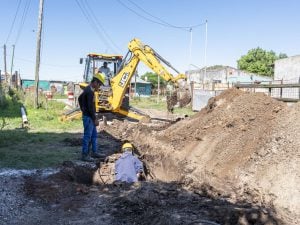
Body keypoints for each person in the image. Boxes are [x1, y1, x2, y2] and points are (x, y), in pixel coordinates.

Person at [78, 73, 105, 162]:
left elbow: (79, 98)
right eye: (99, 84)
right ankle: (85, 155)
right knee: (87, 136)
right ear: (95, 82)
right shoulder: (89, 92)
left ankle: (94, 152)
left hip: (90, 117)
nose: (100, 86)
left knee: (94, 136)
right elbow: (89, 107)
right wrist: (94, 118)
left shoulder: (89, 90)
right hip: (89, 118)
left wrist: (83, 109)